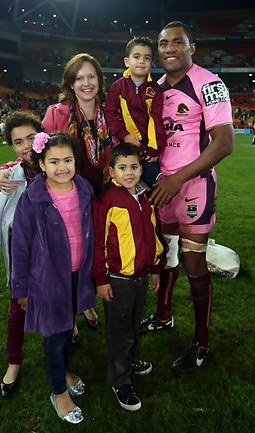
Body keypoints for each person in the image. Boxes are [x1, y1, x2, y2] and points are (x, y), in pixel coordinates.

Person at [140, 21, 234, 374]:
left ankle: (202, 340)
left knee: (194, 262)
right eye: (164, 43)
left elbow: (225, 143)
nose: (169, 48)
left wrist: (178, 177)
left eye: (178, 42)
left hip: (193, 186)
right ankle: (164, 316)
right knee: (165, 256)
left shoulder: (209, 84)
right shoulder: (155, 88)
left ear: (191, 48)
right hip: (162, 188)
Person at [11, 132, 95, 424]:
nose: (62, 167)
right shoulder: (33, 198)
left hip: (76, 275)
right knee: (55, 336)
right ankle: (59, 391)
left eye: (68, 160)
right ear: (42, 165)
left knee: (67, 326)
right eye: (54, 161)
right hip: (46, 281)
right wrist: (20, 286)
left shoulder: (83, 189)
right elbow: (20, 245)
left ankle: (65, 371)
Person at [43, 53, 118, 335]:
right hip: (68, 198)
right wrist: (6, 168)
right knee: (68, 254)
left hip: (103, 194)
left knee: (93, 252)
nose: (86, 83)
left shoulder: (112, 110)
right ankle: (69, 314)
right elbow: (38, 154)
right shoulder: (56, 113)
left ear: (99, 79)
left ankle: (86, 302)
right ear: (70, 83)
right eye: (79, 78)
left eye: (91, 76)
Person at [92, 143, 164, 411]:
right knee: (118, 330)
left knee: (133, 324)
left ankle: (130, 359)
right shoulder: (107, 201)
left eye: (134, 167)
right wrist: (100, 278)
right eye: (122, 168)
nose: (129, 172)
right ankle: (120, 379)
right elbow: (98, 243)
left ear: (141, 168)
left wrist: (156, 268)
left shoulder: (144, 197)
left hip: (141, 276)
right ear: (112, 172)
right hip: (118, 279)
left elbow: (152, 235)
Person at [0, 112, 42, 397]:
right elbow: (12, 166)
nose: (26, 145)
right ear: (12, 146)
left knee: (55, 301)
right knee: (17, 305)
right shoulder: (14, 173)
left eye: (31, 138)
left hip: (52, 249)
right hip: (21, 247)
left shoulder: (54, 163)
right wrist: (2, 169)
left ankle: (61, 355)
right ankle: (13, 361)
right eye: (18, 141)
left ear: (41, 135)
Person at [104, 36, 165, 188]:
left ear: (152, 63)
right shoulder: (117, 87)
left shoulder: (155, 90)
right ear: (126, 61)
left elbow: (156, 120)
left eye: (147, 58)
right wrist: (125, 135)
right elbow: (110, 114)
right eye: (136, 57)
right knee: (123, 188)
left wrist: (154, 149)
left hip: (147, 153)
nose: (141, 61)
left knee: (153, 189)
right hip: (124, 150)